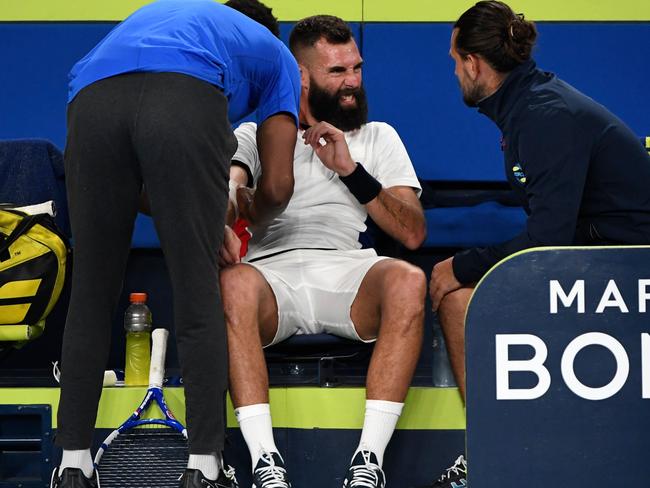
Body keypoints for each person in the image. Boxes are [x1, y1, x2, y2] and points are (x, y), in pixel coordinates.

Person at [52, 1, 300, 487]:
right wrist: (233, 215)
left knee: (92, 291)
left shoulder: (168, 19)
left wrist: (205, 218)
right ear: (264, 32)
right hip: (183, 96)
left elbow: (140, 187)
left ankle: (71, 463)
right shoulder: (275, 54)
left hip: (90, 99)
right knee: (196, 289)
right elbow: (277, 188)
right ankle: (204, 465)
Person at [426, 1, 650, 486]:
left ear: (472, 63)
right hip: (599, 256)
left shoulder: (546, 115)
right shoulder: (531, 105)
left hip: (630, 270)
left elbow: (548, 241)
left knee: (458, 297)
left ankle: (491, 451)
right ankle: (493, 445)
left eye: (453, 61)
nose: (455, 72)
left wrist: (461, 266)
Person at [218, 15, 427, 488]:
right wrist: (233, 196)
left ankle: (368, 462)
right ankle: (265, 462)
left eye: (356, 68)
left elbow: (413, 233)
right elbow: (230, 196)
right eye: (338, 72)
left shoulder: (379, 136)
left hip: (348, 273)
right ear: (301, 75)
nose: (353, 82)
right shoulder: (255, 136)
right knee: (232, 282)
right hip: (272, 279)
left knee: (409, 278)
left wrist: (351, 170)